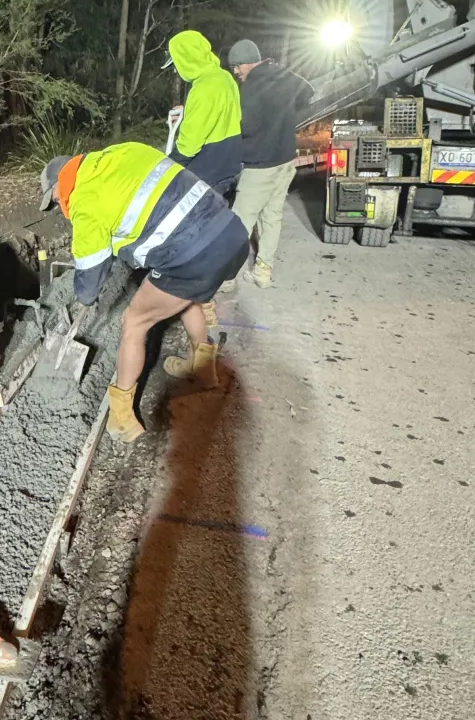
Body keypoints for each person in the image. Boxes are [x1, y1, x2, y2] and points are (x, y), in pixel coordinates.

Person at [39, 145, 249, 443]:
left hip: (194, 254)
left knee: (134, 321)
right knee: (184, 295)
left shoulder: (85, 201)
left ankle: (122, 419)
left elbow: (88, 288)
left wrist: (83, 293)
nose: (59, 207)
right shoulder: (122, 153)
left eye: (55, 200)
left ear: (59, 187)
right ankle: (203, 370)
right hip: (229, 232)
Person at [224, 39, 313, 288]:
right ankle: (263, 272)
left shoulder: (252, 87)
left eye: (237, 66)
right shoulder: (283, 74)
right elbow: (308, 93)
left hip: (260, 166)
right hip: (285, 161)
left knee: (240, 221)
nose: (236, 72)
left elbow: (247, 127)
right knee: (271, 216)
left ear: (247, 62)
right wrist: (285, 116)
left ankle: (226, 278)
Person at [165, 29, 242, 196]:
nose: (176, 70)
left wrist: (167, 166)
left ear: (187, 59)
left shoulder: (203, 88)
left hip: (209, 173)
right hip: (230, 164)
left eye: (176, 64)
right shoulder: (224, 77)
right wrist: (188, 110)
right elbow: (225, 112)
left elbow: (189, 147)